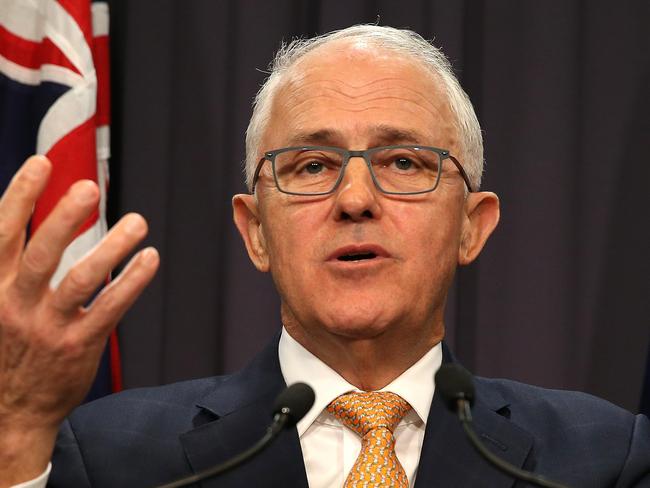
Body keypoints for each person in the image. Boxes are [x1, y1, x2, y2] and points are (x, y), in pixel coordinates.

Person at [1, 25, 648, 488]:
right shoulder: (110, 456)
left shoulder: (601, 458)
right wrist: (16, 433)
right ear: (255, 231)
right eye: (312, 165)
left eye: (403, 161)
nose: (355, 199)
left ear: (471, 227)